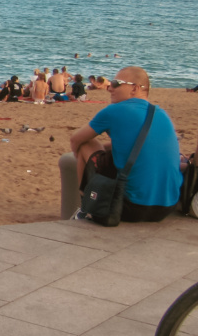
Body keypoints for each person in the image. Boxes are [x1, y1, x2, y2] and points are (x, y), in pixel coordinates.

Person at [70, 66, 182, 222]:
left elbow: (76, 140)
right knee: (110, 149)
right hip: (167, 207)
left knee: (86, 145)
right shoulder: (161, 113)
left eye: (116, 83)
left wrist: (78, 155)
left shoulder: (114, 110)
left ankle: (86, 207)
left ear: (135, 88)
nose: (109, 88)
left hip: (131, 208)